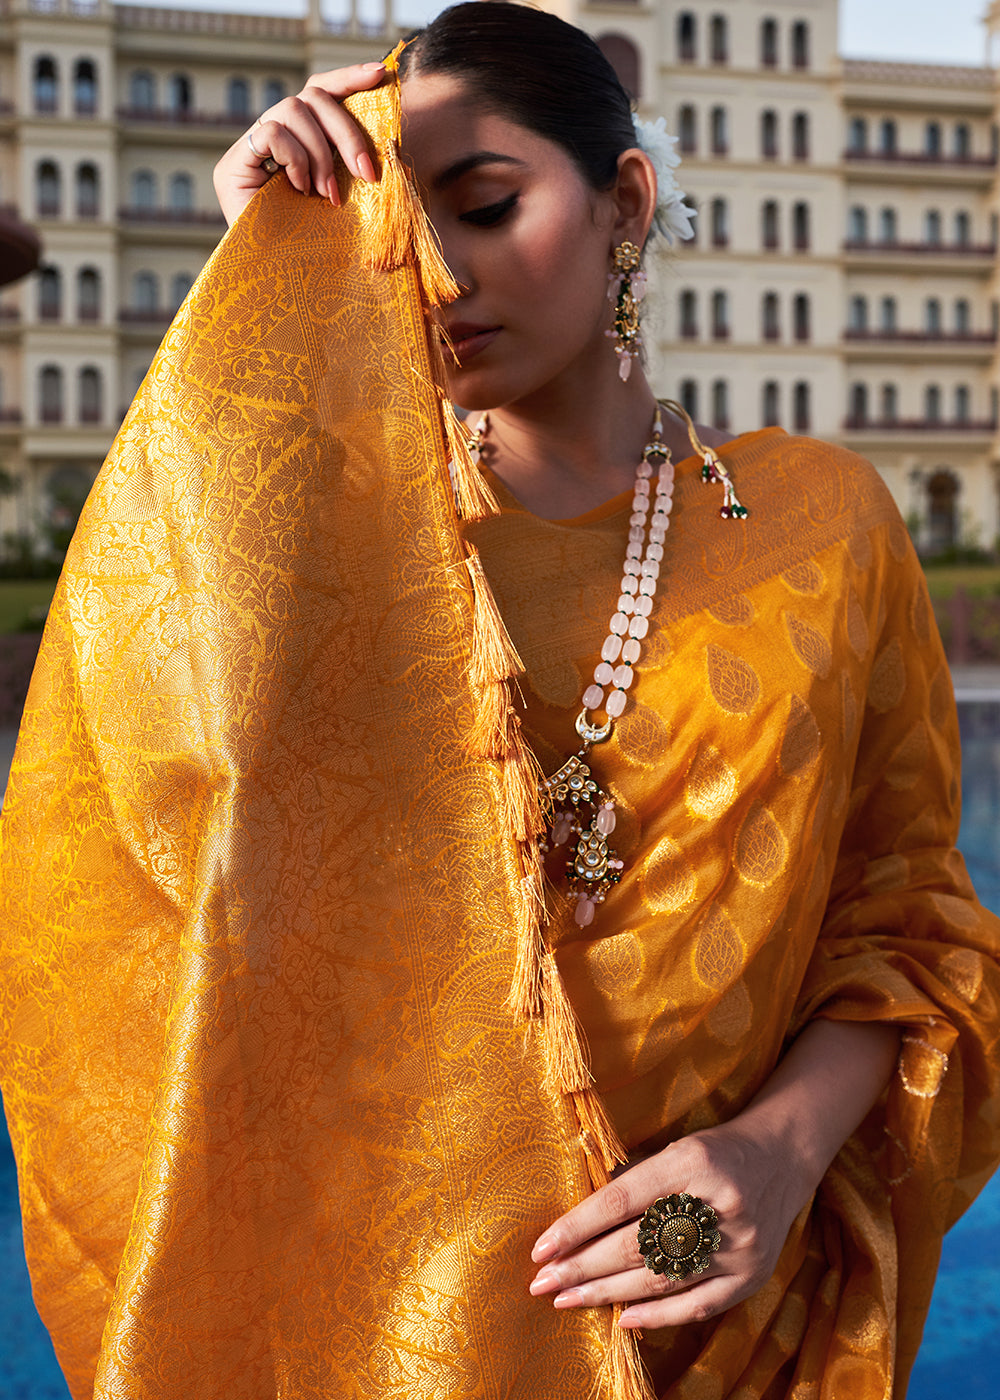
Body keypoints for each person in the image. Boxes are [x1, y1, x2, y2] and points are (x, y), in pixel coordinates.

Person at [2, 5, 998, 1398]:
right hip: (374, 1328)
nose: (435, 271)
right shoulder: (323, 548)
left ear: (624, 201)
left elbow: (910, 929)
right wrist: (263, 285)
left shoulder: (818, 522)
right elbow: (140, 847)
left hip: (736, 1331)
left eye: (483, 206)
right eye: (390, 233)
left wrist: (777, 1151)